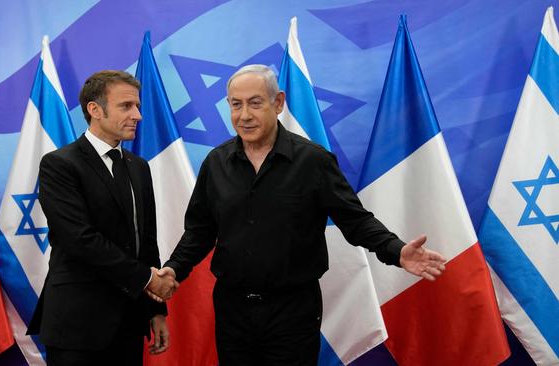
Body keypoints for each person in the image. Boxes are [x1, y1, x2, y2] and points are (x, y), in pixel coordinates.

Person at [152, 64, 446, 365]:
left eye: (255, 103)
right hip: (232, 310)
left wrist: (397, 251)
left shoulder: (313, 161)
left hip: (292, 311)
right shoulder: (216, 163)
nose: (244, 115)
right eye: (236, 105)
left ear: (278, 103)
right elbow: (200, 230)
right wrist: (175, 269)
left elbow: (356, 220)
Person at [27, 70, 179, 365]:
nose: (137, 115)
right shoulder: (59, 165)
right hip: (78, 326)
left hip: (129, 323)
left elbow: (146, 242)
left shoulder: (139, 167)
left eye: (137, 106)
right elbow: (80, 240)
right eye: (126, 106)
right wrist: (148, 279)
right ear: (94, 110)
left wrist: (157, 310)